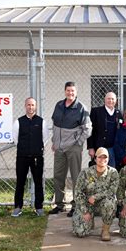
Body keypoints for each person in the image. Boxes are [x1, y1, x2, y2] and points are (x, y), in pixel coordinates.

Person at [49, 82, 92, 217]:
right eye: (68, 91)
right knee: (58, 176)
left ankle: (76, 205)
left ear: (76, 92)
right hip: (59, 148)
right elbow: (55, 125)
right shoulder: (59, 105)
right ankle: (59, 204)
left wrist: (78, 143)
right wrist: (54, 141)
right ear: (65, 91)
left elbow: (88, 129)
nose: (70, 93)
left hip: (73, 148)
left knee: (76, 177)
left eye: (72, 91)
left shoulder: (81, 108)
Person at [11, 97, 48, 217]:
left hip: (37, 157)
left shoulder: (42, 122)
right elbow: (16, 139)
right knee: (20, 182)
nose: (30, 107)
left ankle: (39, 207)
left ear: (35, 106)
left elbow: (45, 139)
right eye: (28, 105)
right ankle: (17, 207)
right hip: (22, 157)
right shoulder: (18, 122)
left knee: (38, 182)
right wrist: (25, 149)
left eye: (32, 105)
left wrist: (36, 149)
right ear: (25, 106)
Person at [72, 147, 120, 241]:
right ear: (95, 158)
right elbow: (78, 192)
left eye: (105, 157)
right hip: (88, 204)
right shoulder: (85, 173)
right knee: (80, 232)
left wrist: (96, 196)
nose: (102, 160)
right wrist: (85, 211)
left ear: (108, 159)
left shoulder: (113, 173)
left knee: (111, 202)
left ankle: (105, 230)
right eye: (100, 157)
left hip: (103, 204)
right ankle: (90, 221)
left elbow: (112, 191)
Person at [87, 92, 123, 168]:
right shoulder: (96, 111)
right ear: (105, 100)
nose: (110, 101)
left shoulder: (118, 113)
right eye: (108, 98)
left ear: (116, 101)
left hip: (113, 149)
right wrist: (91, 148)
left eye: (112, 99)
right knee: (98, 171)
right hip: (99, 147)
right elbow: (90, 131)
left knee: (112, 171)